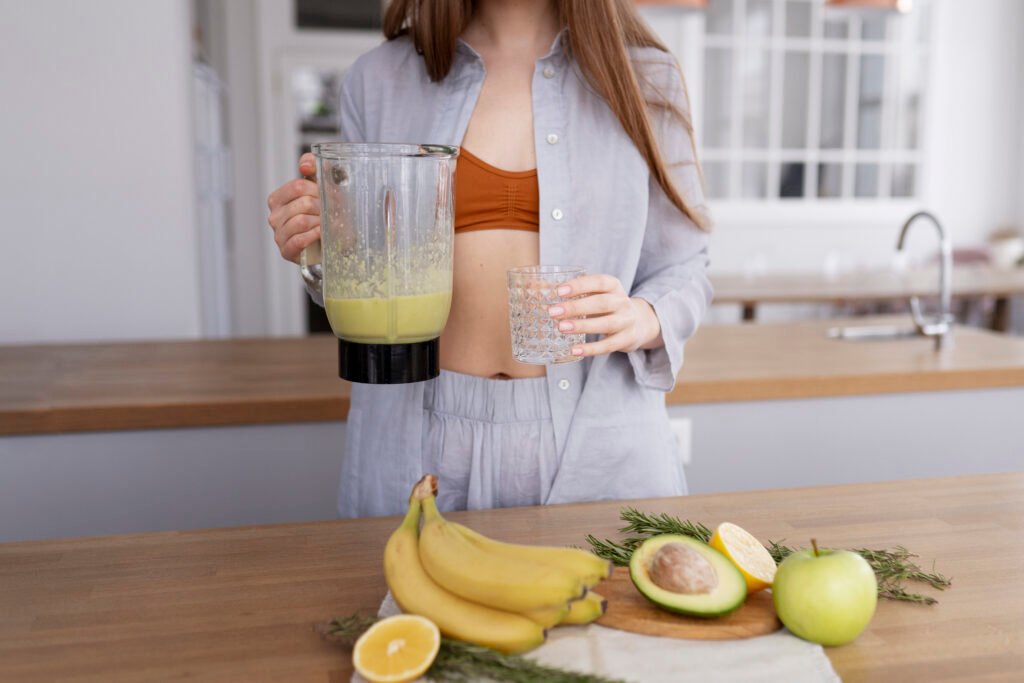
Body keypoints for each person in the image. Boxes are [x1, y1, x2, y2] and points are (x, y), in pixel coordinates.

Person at [266, 0, 713, 517]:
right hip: (419, 443)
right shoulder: (379, 78)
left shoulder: (646, 79)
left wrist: (644, 317)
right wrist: (317, 248)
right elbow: (361, 267)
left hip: (596, 438)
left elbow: (686, 266)